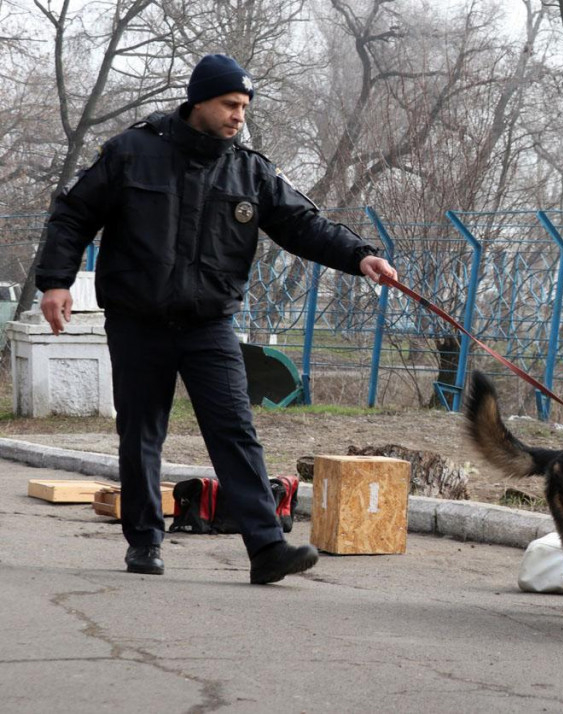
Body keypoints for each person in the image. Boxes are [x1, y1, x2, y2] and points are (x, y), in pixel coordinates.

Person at [35, 54, 398, 584]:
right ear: (199, 100)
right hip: (138, 320)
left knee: (235, 431)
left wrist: (360, 255)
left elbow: (304, 224)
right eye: (230, 104)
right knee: (141, 433)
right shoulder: (132, 152)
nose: (238, 116)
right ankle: (143, 541)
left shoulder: (249, 170)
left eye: (245, 107)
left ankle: (267, 548)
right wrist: (55, 281)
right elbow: (73, 214)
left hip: (209, 324)